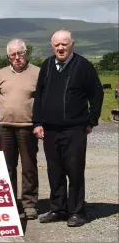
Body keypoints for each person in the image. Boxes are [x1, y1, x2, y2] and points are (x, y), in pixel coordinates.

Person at [33, 29, 104, 227]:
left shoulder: (83, 66)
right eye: (57, 44)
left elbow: (97, 94)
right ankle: (58, 208)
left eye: (64, 44)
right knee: (54, 170)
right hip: (50, 129)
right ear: (52, 46)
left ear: (72, 44)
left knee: (74, 170)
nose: (61, 48)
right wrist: (37, 122)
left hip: (75, 129)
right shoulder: (47, 65)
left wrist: (91, 121)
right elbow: (38, 95)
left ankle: (77, 211)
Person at [0, 39, 40, 220]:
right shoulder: (2, 73)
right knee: (7, 167)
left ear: (26, 52)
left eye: (19, 53)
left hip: (27, 126)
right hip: (5, 126)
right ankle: (11, 202)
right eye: (12, 54)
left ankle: (29, 203)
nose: (16, 57)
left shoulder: (37, 72)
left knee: (29, 166)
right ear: (8, 56)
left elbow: (42, 100)